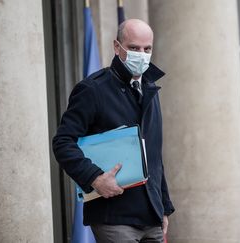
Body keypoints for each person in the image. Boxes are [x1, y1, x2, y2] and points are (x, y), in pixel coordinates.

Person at [52, 19, 175, 243]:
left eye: (147, 49)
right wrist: (95, 178)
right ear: (117, 47)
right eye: (134, 48)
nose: (142, 54)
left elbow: (155, 155)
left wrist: (164, 206)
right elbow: (63, 142)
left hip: (151, 215)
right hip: (113, 216)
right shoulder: (92, 89)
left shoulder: (150, 88)